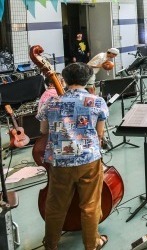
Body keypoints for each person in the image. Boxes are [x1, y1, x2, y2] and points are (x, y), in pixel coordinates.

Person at [36, 62, 109, 250]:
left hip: (60, 162)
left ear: (65, 80)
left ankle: (51, 245)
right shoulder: (96, 101)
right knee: (90, 205)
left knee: (55, 206)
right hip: (89, 160)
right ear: (88, 79)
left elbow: (43, 130)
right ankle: (92, 244)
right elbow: (100, 135)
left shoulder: (51, 103)